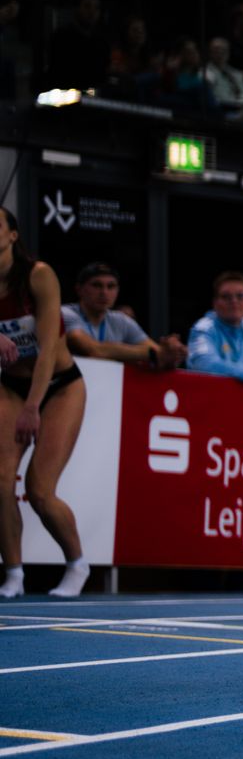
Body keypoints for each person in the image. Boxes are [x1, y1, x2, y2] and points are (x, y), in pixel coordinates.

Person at [0, 209, 90, 598]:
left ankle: (76, 564)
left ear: (12, 235)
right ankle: (14, 574)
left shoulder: (38, 275)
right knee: (0, 482)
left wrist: (33, 406)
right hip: (11, 385)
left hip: (59, 386)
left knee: (39, 489)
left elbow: (49, 348)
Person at [61, 262, 185, 370]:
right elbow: (94, 350)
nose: (104, 292)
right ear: (79, 289)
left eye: (111, 286)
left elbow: (159, 355)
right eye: (96, 285)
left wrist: (174, 352)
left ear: (117, 290)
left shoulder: (121, 320)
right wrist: (153, 353)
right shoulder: (66, 313)